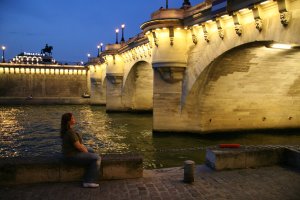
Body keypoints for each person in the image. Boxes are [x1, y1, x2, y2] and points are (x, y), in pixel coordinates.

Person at [60, 113, 101, 188]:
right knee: (97, 158)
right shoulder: (70, 132)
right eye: (72, 118)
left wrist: (87, 152)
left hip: (69, 153)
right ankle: (88, 181)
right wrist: (87, 154)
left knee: (92, 151)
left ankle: (89, 172)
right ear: (68, 121)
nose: (74, 119)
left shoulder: (67, 130)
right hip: (71, 155)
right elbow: (79, 147)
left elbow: (79, 145)